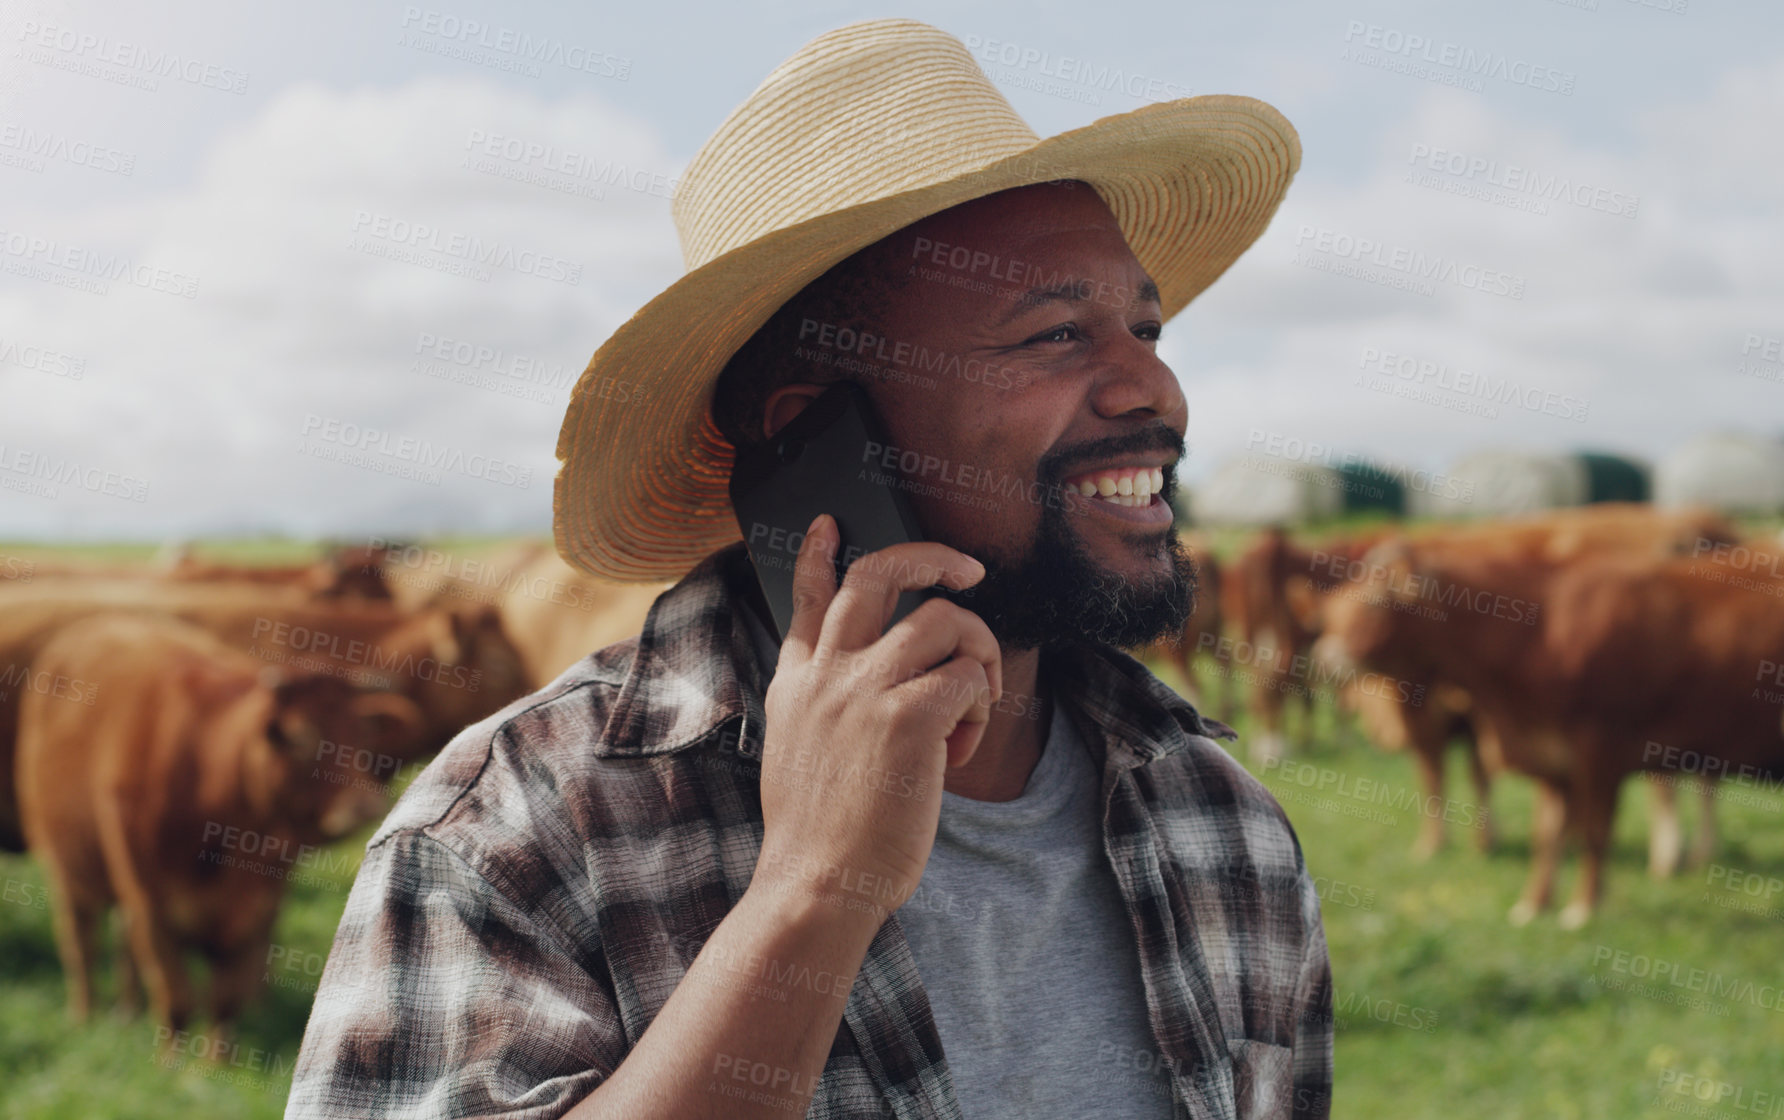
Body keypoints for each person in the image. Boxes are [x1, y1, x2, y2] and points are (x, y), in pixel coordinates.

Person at [286, 18, 1330, 1120]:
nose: (1151, 392)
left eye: (1144, 326)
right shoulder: (516, 832)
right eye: (1054, 336)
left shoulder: (1222, 825)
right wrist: (813, 889)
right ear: (818, 436)